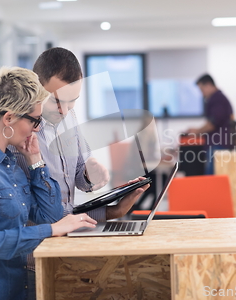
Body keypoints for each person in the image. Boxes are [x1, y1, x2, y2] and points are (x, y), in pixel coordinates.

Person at [0, 67, 97, 300]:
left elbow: (50, 216)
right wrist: (51, 231)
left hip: (17, 290)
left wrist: (36, 161)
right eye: (35, 121)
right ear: (9, 118)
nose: (37, 129)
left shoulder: (12, 163)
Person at [12, 48, 151, 299]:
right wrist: (108, 213)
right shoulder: (22, 134)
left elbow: (79, 175)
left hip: (66, 245)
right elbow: (40, 211)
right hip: (34, 259)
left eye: (72, 100)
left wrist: (91, 175)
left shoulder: (70, 117)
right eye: (56, 100)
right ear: (36, 88)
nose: (64, 110)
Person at [187, 73, 236, 175]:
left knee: (213, 177)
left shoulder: (217, 99)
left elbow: (213, 123)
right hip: (219, 144)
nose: (202, 94)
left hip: (218, 145)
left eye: (202, 90)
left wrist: (197, 131)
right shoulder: (220, 98)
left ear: (208, 85)